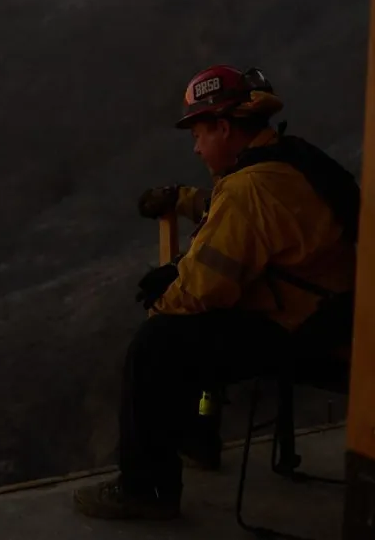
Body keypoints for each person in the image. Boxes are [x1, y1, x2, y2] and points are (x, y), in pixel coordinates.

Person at [73, 65, 359, 521]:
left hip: (309, 335)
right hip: (339, 315)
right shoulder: (287, 161)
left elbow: (204, 288)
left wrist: (160, 301)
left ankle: (146, 489)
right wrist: (182, 199)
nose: (196, 146)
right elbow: (238, 216)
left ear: (224, 128)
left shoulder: (250, 188)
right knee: (192, 331)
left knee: (158, 344)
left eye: (199, 133)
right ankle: (195, 437)